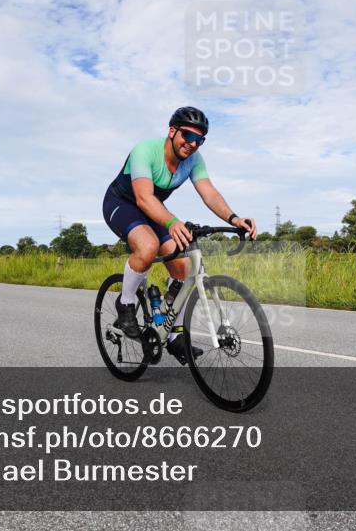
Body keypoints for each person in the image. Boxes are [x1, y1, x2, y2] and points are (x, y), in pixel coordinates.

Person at [102, 106, 256, 364]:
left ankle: (173, 335)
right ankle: (126, 302)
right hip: (123, 204)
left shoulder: (194, 160)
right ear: (172, 131)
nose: (193, 144)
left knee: (184, 268)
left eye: (199, 140)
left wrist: (234, 218)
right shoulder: (146, 150)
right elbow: (142, 197)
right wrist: (172, 221)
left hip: (154, 209)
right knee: (148, 246)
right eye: (187, 136)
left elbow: (209, 193)